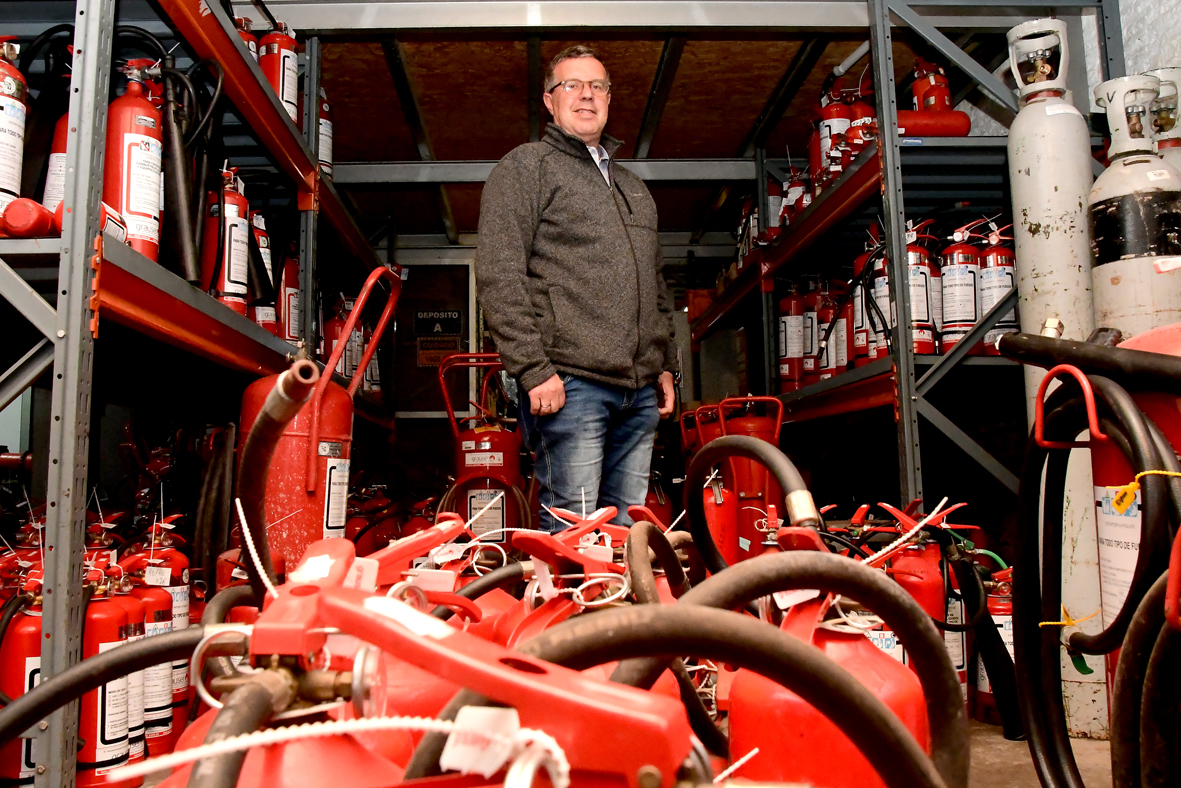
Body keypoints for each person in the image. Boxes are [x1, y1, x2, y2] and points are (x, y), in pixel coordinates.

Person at [475, 44, 678, 533]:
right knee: (575, 531)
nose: (586, 95)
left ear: (609, 98)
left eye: (598, 86)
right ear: (550, 100)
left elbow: (656, 284)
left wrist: (665, 365)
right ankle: (571, 611)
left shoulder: (634, 188)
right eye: (572, 85)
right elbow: (499, 273)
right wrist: (532, 368)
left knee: (628, 530)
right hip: (569, 385)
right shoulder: (526, 168)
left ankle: (620, 611)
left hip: (639, 392)